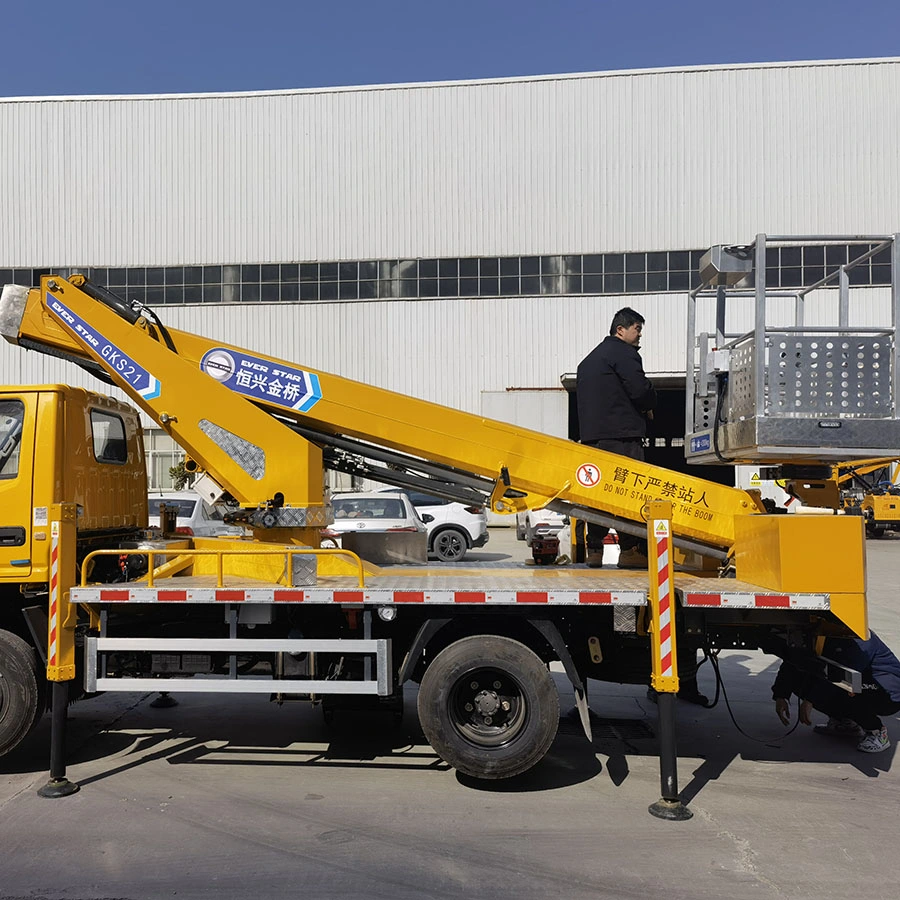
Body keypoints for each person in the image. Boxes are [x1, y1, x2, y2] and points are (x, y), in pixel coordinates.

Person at [576, 307, 657, 569]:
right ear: (620, 330)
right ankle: (630, 550)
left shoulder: (588, 361)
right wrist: (650, 403)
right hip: (623, 438)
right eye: (637, 329)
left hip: (592, 439)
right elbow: (640, 391)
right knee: (629, 493)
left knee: (598, 496)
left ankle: (595, 550)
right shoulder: (624, 354)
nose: (640, 335)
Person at [771, 631, 900, 753]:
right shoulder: (822, 633)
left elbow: (845, 673)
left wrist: (811, 699)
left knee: (848, 687)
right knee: (802, 681)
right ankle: (845, 722)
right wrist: (781, 695)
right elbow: (794, 660)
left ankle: (877, 732)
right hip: (862, 681)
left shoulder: (860, 638)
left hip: (887, 692)